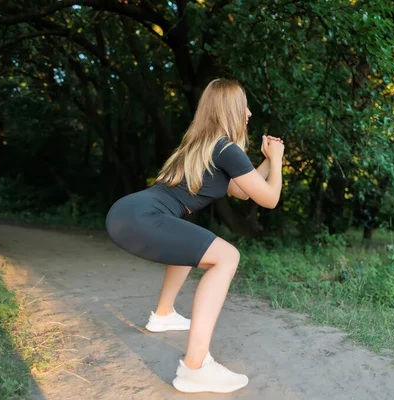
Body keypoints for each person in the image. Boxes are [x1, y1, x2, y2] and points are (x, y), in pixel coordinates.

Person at [105, 78, 284, 393]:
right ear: (232, 109)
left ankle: (163, 315)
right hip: (143, 217)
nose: (250, 113)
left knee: (195, 243)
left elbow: (242, 191)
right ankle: (195, 368)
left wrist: (267, 161)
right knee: (228, 257)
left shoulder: (205, 145)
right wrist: (279, 160)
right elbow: (268, 198)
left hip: (128, 212)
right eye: (245, 106)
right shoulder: (226, 148)